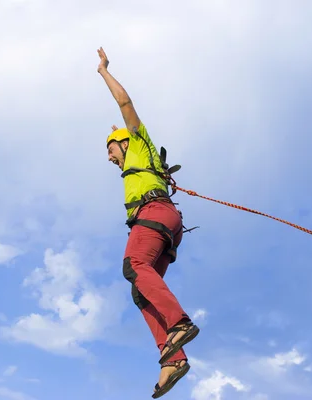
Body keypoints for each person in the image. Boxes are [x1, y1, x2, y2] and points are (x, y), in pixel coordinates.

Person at [97, 47, 200, 398]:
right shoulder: (135, 160)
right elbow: (121, 135)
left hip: (154, 215)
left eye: (110, 149)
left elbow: (126, 104)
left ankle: (180, 323)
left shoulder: (138, 141)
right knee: (141, 292)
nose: (108, 156)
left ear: (125, 144)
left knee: (134, 264)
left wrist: (103, 72)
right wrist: (117, 136)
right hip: (167, 222)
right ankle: (172, 359)